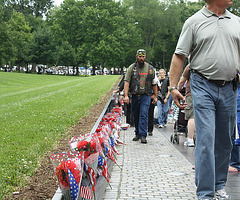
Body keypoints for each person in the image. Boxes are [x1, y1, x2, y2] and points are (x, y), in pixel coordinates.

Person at [169, 0, 240, 199]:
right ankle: (206, 193)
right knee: (207, 139)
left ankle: (218, 186)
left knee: (226, 140)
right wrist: (174, 87)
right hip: (202, 85)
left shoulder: (237, 22)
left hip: (229, 87)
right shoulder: (194, 22)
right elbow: (179, 56)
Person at [124, 49, 158, 144]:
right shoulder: (131, 68)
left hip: (145, 95)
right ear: (136, 57)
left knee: (144, 114)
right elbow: (127, 82)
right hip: (135, 95)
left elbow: (154, 83)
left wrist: (155, 96)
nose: (141, 58)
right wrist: (126, 95)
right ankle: (137, 133)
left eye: (143, 56)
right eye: (140, 56)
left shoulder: (150, 69)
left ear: (145, 57)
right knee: (136, 114)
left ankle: (143, 135)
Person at [178, 64, 195, 147]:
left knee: (192, 117)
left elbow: (182, 80)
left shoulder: (190, 66)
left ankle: (190, 139)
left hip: (191, 94)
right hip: (205, 95)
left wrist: (178, 89)